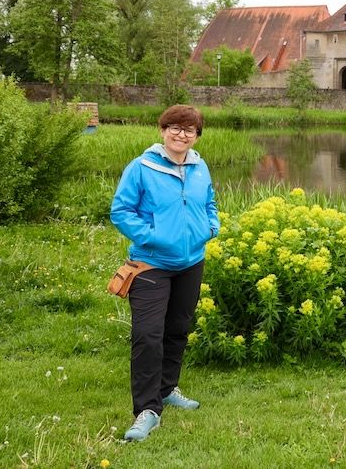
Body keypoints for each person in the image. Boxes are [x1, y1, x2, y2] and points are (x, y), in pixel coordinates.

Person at [110, 105, 219, 442]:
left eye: (189, 130)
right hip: (151, 264)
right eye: (174, 127)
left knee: (177, 329)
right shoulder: (142, 167)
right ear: (163, 130)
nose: (181, 134)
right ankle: (147, 409)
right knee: (147, 335)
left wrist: (210, 228)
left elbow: (209, 203)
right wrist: (154, 237)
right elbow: (121, 211)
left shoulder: (200, 167)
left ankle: (168, 388)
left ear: (196, 136)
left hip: (191, 262)